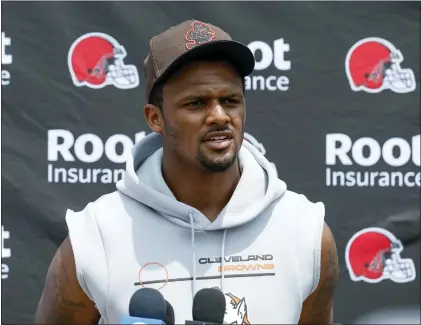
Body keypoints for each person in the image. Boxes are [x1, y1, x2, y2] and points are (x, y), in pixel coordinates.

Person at [35, 19, 339, 324]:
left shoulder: (306, 233)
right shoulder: (95, 236)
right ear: (155, 118)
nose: (219, 116)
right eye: (196, 104)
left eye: (230, 101)